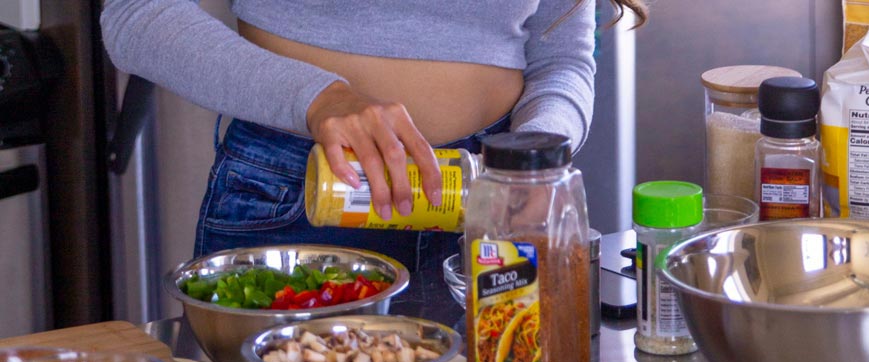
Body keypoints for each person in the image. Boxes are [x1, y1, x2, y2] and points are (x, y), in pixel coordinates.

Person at [100, 0, 647, 274]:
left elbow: (560, 54)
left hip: (490, 207)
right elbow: (136, 15)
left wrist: (533, 159)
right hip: (305, 197)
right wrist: (319, 98)